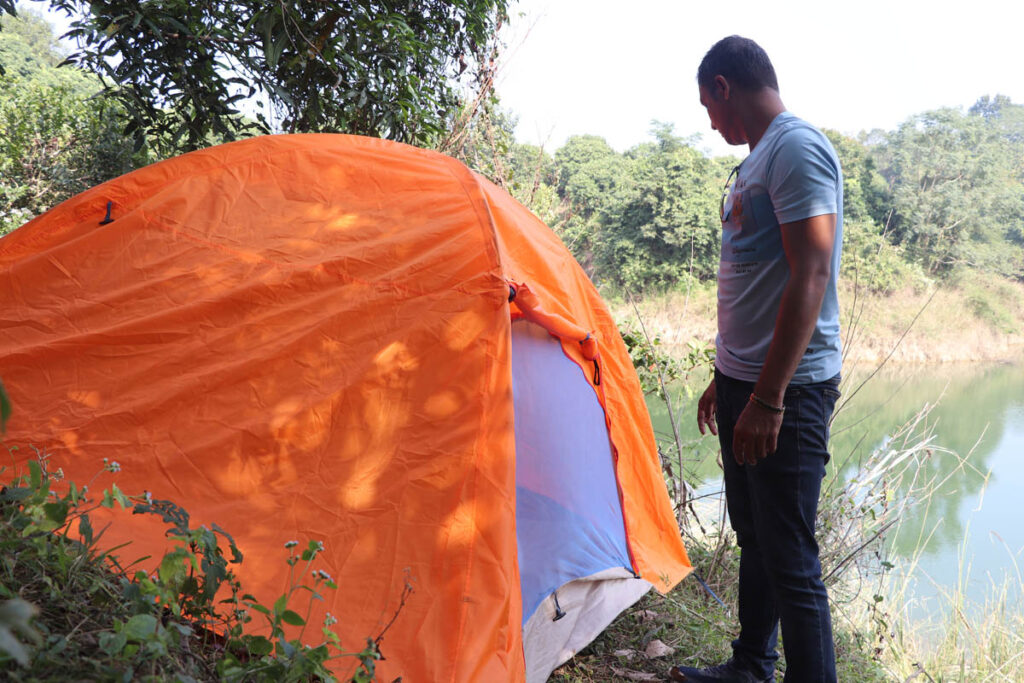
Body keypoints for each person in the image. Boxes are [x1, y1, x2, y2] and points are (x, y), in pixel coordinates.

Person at [669, 36, 843, 683]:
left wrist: (768, 397)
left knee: (791, 559)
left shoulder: (795, 147)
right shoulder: (757, 161)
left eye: (708, 108)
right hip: (746, 381)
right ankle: (751, 664)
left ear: (723, 87)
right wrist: (727, 377)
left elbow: (811, 273)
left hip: (788, 391)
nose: (711, 124)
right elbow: (755, 280)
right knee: (756, 539)